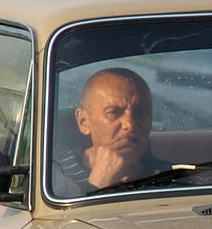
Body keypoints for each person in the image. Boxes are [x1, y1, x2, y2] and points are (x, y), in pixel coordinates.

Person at [53, 67, 169, 196]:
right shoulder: (53, 177)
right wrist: (98, 184)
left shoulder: (174, 178)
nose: (130, 124)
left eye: (140, 112)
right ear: (83, 122)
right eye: (113, 113)